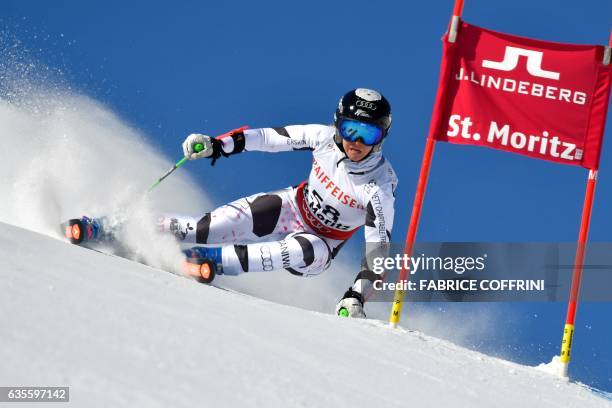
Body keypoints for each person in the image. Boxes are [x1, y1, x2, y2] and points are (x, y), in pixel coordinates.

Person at [66, 88, 398, 318]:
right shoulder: (323, 137)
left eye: (368, 135)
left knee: (305, 248)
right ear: (337, 124)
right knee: (206, 227)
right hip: (291, 208)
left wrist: (355, 296)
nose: (356, 142)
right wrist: (218, 145)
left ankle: (209, 260)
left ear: (381, 139)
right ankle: (114, 226)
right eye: (351, 129)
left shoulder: (378, 186)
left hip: (320, 245)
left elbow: (377, 256)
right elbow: (268, 138)